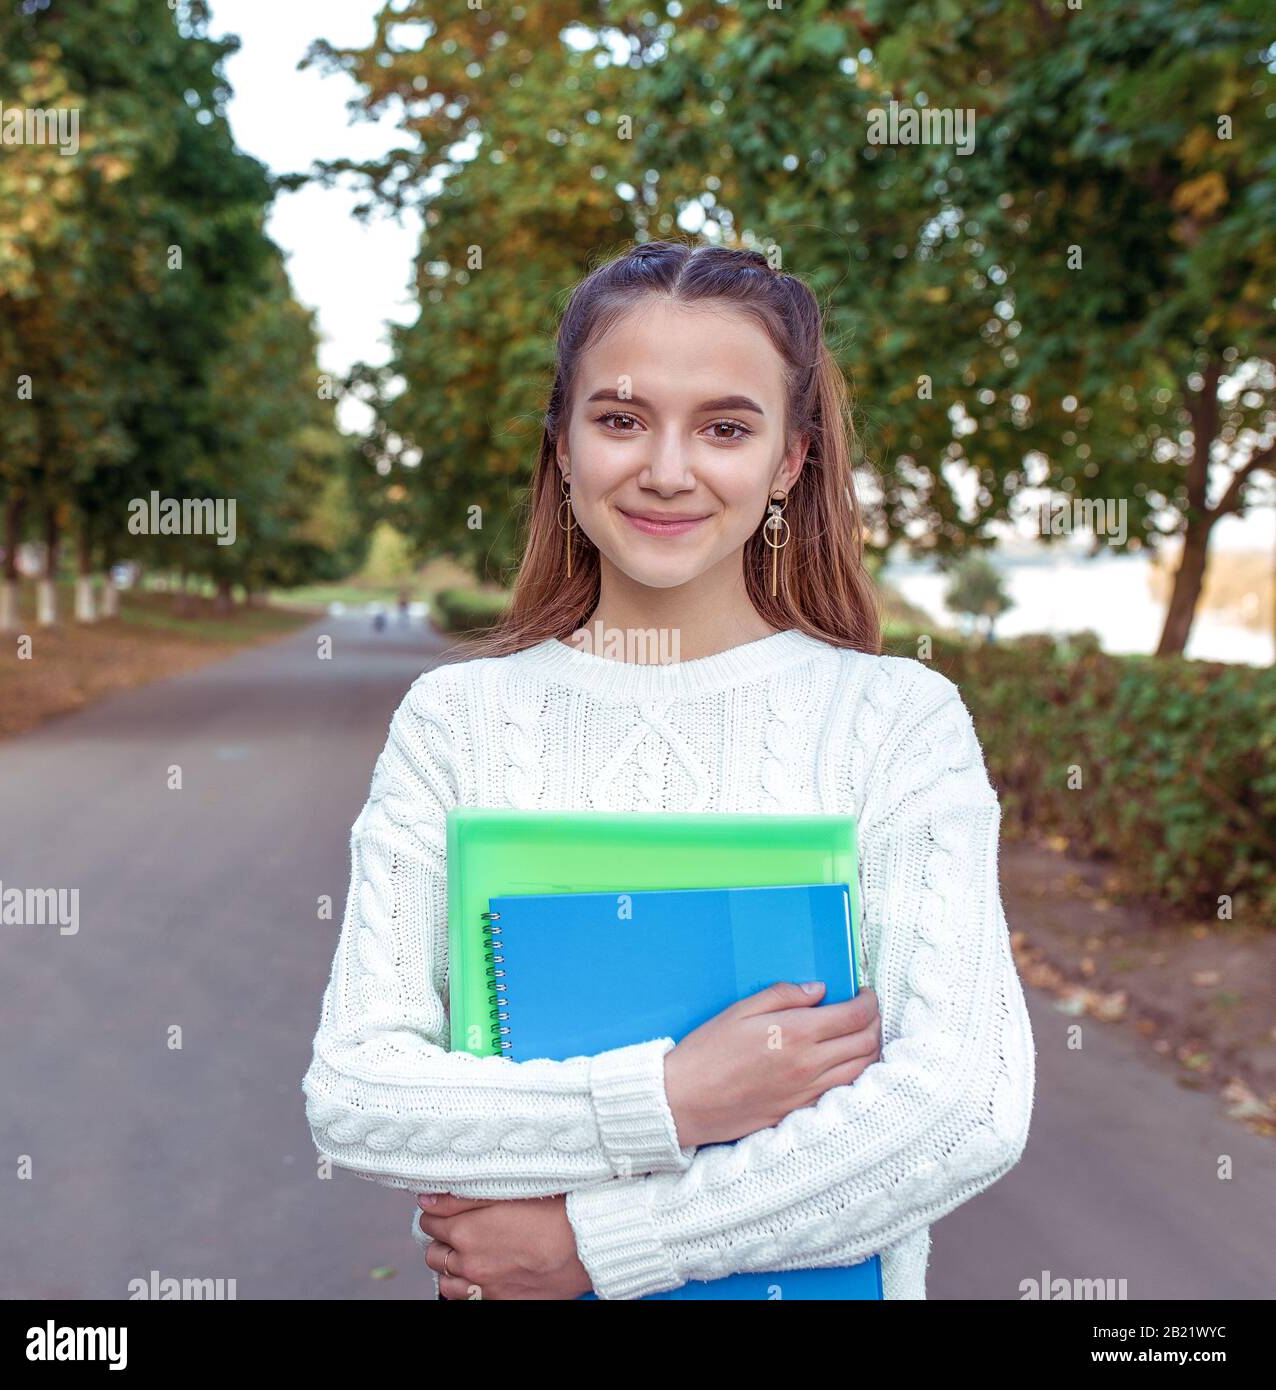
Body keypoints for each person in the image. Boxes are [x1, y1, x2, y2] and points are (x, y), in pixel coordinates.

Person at [300, 239, 1036, 1301]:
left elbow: (957, 1109)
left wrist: (601, 1245)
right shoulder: (455, 722)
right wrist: (674, 1095)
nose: (668, 469)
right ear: (561, 444)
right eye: (620, 419)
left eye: (726, 427)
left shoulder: (892, 720)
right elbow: (360, 1091)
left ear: (789, 461)